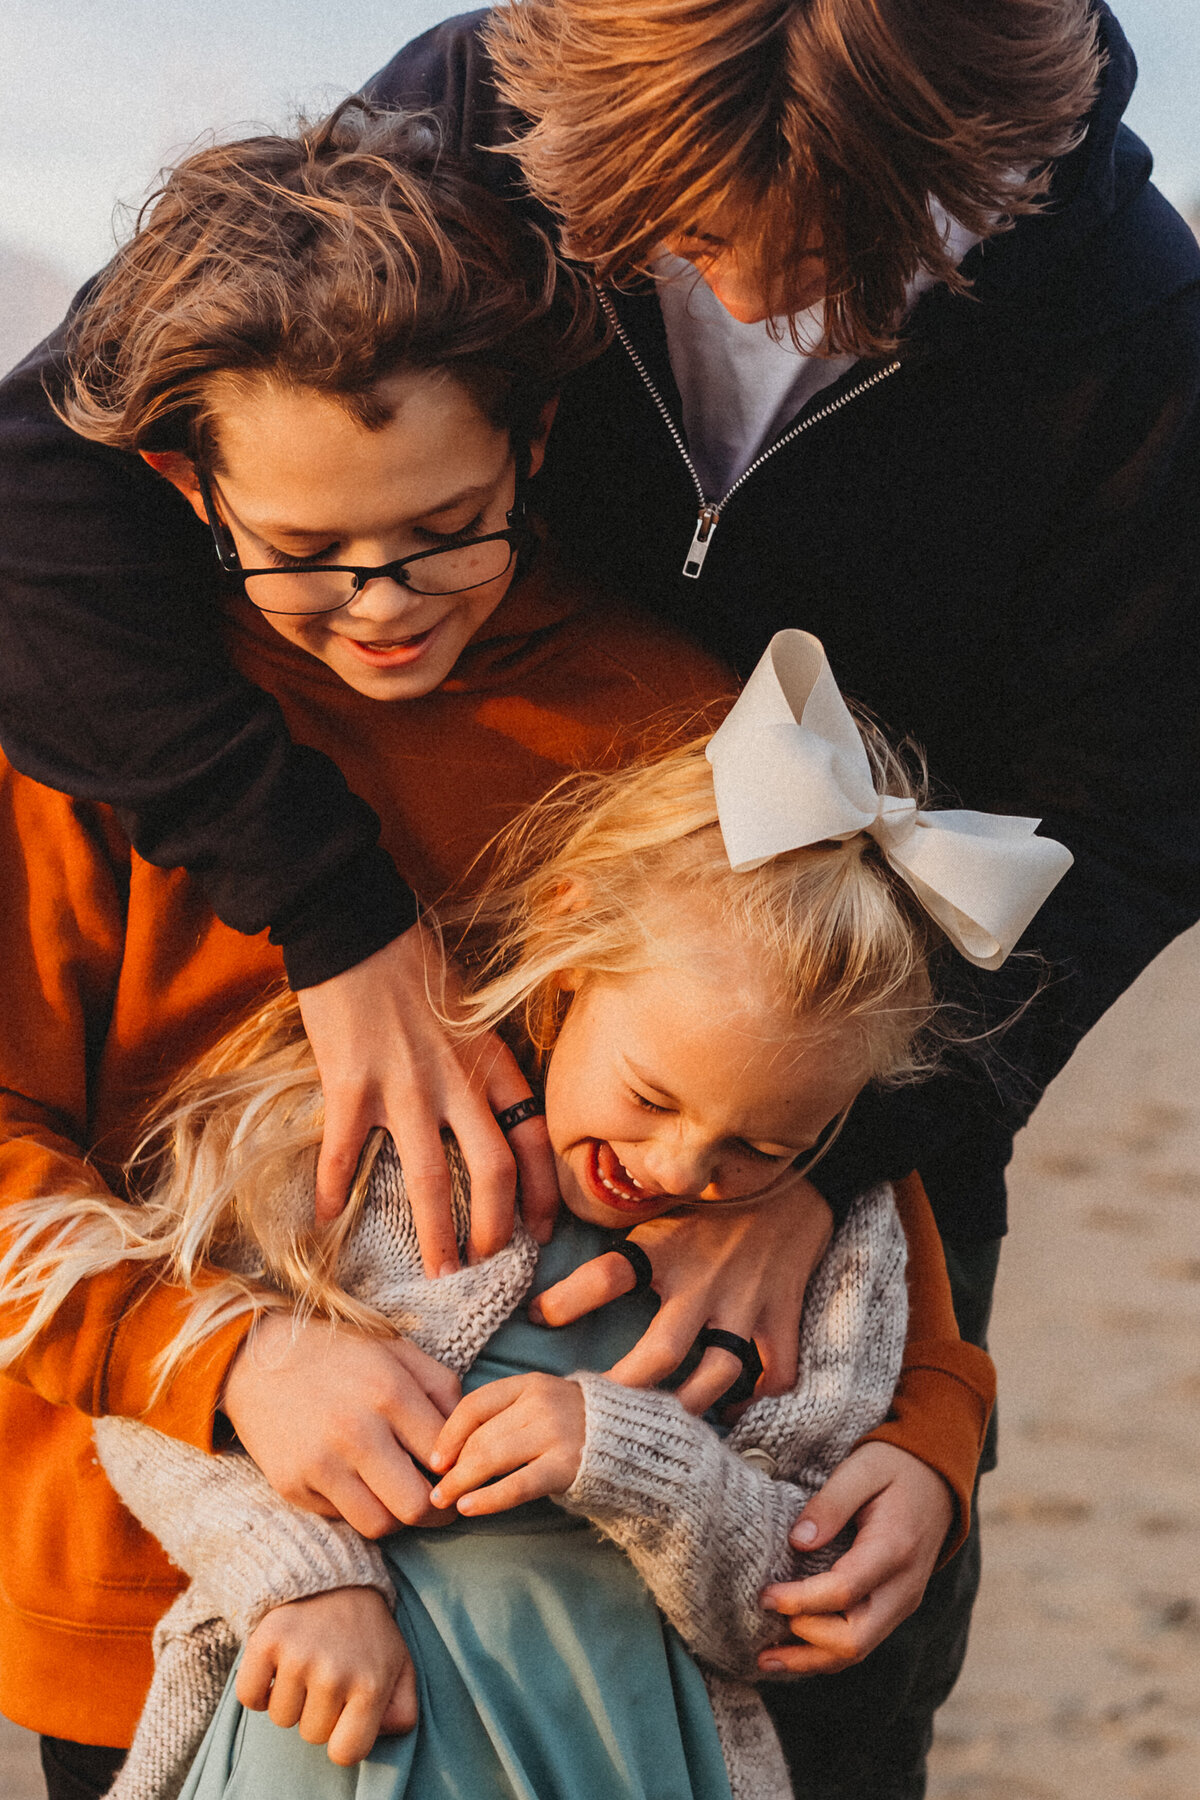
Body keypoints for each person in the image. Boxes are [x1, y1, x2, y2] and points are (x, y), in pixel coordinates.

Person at [2, 2, 1194, 1785]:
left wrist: (857, 1230)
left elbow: (1112, 829)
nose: (389, 596)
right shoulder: (474, 119)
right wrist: (339, 924)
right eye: (669, 246)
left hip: (676, 1543)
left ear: (528, 456)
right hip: (166, 1565)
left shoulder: (1123, 364)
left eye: (769, 259)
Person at [41, 627, 1050, 1800]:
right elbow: (163, 1408)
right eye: (651, 1096)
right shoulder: (353, 1138)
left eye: (767, 1146)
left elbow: (783, 1590)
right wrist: (302, 1573)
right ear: (570, 959)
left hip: (619, 1748)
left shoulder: (838, 1249)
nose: (680, 1166)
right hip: (331, 1724)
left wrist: (624, 1456)